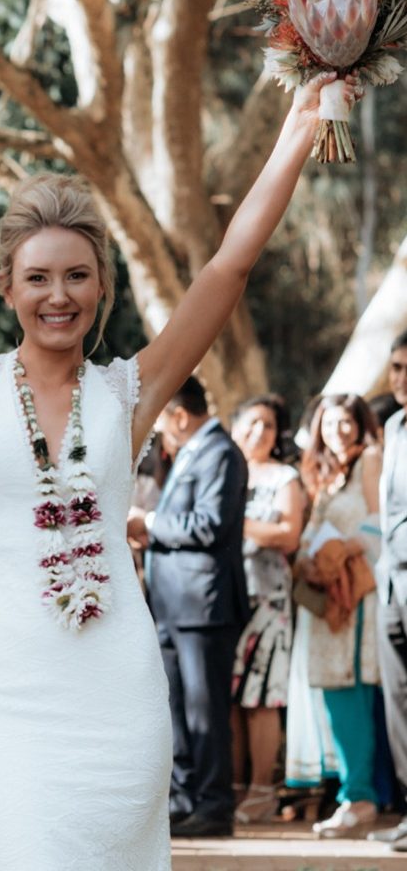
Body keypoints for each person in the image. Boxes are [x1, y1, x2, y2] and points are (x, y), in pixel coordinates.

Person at [0, 75, 348, 868]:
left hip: (118, 691)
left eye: (77, 275)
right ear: (7, 287)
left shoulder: (126, 394)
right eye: (38, 277)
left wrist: (297, 131)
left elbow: (227, 270)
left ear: (103, 285)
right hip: (5, 696)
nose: (58, 296)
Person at [134, 377, 250, 837]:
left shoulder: (220, 452)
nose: (161, 430)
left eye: (163, 420)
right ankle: (183, 797)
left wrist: (149, 522)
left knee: (205, 710)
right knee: (176, 706)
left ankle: (215, 806)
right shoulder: (189, 454)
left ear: (180, 415)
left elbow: (209, 524)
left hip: (204, 607)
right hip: (170, 605)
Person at [287, 394, 382, 838]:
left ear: (361, 424)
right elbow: (306, 537)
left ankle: (360, 798)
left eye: (347, 422)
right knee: (332, 692)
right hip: (322, 598)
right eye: (330, 422)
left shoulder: (371, 461)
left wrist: (340, 551)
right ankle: (354, 792)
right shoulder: (326, 478)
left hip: (354, 593)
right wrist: (309, 559)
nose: (339, 431)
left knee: (353, 687)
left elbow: (380, 521)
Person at [228, 395, 305, 823]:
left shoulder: (284, 476)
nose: (260, 432)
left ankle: (262, 791)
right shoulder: (227, 470)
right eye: (252, 422)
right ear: (235, 425)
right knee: (232, 698)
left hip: (268, 601)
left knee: (261, 699)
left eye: (269, 426)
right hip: (226, 599)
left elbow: (288, 534)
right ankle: (236, 787)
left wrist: (232, 521)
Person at [369, 330, 407, 853]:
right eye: (396, 367)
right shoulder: (394, 425)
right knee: (398, 702)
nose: (401, 378)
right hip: (391, 584)